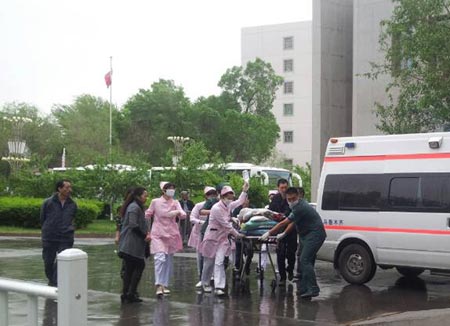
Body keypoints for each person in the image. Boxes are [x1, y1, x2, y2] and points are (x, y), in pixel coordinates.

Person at [260, 187, 326, 299]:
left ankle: (313, 288)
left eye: (293, 198)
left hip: (314, 235)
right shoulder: (296, 207)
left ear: (298, 197)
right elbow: (294, 223)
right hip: (306, 235)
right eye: (289, 199)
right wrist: (284, 234)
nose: (291, 201)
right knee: (304, 259)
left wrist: (269, 233)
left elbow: (284, 223)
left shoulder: (300, 207)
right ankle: (305, 288)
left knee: (304, 260)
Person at [199, 182, 248, 296]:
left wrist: (244, 191)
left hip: (222, 239)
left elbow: (239, 202)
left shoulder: (228, 206)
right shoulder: (216, 208)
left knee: (220, 261)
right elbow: (225, 224)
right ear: (221, 197)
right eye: (227, 197)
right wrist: (237, 234)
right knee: (208, 263)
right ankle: (205, 282)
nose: (230, 200)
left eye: (231, 197)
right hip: (212, 237)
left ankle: (219, 287)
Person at [145, 182, 186, 296]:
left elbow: (183, 215)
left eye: (173, 189)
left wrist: (178, 212)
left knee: (168, 260)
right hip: (158, 233)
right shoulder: (155, 202)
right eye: (169, 189)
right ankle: (158, 284)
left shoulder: (175, 202)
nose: (172, 191)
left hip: (171, 233)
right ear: (163, 190)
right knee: (160, 258)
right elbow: (148, 214)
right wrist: (147, 230)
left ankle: (164, 284)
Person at [40, 179, 77, 287]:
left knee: (62, 261)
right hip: (50, 237)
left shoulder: (72, 204)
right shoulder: (48, 202)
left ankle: (55, 282)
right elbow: (42, 218)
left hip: (66, 237)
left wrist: (70, 228)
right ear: (59, 189)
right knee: (48, 262)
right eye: (67, 187)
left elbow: (72, 218)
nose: (69, 190)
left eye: (70, 187)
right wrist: (47, 229)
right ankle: (52, 280)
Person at [118, 187, 149, 303]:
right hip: (131, 244)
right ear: (138, 196)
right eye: (145, 195)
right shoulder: (134, 207)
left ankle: (128, 293)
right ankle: (129, 293)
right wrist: (144, 236)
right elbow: (133, 225)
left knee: (130, 269)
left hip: (134, 244)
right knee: (136, 267)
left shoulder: (136, 207)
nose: (146, 198)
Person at [268, 178, 297, 286]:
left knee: (291, 253)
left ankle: (290, 269)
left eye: (285, 187)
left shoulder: (291, 198)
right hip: (279, 228)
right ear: (278, 188)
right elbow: (270, 212)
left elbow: (293, 215)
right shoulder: (275, 198)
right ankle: (282, 277)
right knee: (280, 254)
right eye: (282, 188)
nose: (284, 190)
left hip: (291, 228)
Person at [188, 186, 218, 288]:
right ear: (205, 196)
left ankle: (212, 276)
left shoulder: (218, 205)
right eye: (210, 194)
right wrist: (202, 222)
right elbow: (192, 218)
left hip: (213, 233)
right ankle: (201, 277)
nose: (212, 196)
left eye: (214, 194)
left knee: (213, 255)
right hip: (200, 232)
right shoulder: (199, 206)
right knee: (201, 256)